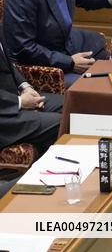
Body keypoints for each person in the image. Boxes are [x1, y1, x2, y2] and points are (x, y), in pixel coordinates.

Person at [0, 19, 65, 161]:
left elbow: (7, 62)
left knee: (71, 105)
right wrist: (19, 102)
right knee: (63, 121)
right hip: (4, 119)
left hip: (13, 97)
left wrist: (25, 86)